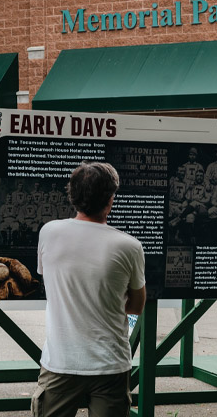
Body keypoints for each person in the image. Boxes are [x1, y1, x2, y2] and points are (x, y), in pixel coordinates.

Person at [33, 162, 146, 417]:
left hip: (60, 362)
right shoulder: (129, 246)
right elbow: (137, 305)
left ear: (73, 196)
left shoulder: (49, 232)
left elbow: (48, 280)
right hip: (111, 364)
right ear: (110, 199)